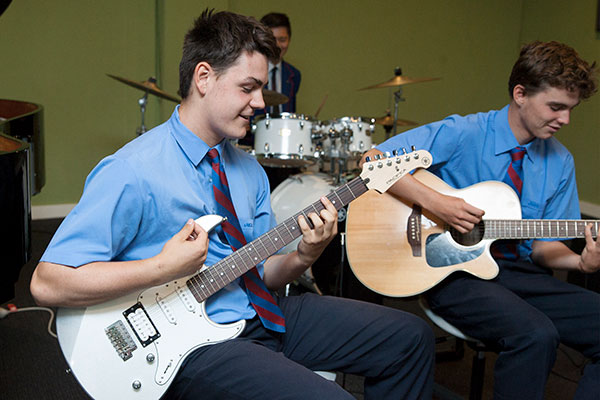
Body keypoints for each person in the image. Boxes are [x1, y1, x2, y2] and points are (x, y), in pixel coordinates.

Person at [30, 10, 434, 399]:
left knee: (410, 338)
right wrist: (162, 268)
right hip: (191, 344)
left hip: (257, 312)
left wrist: (303, 256)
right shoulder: (132, 170)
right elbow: (47, 282)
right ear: (204, 77)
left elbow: (263, 272)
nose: (260, 102)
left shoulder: (249, 171)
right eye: (248, 87)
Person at [365, 40, 599, 399]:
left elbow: (543, 249)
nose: (564, 119)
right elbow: (373, 161)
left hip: (520, 273)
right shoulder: (464, 133)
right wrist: (439, 204)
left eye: (571, 109)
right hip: (454, 272)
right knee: (536, 335)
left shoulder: (560, 161)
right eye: (556, 107)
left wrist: (579, 262)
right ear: (520, 93)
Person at [257, 12, 301, 115]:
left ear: (289, 39)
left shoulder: (294, 75)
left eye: (282, 40)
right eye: (272, 39)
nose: (277, 45)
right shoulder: (250, 71)